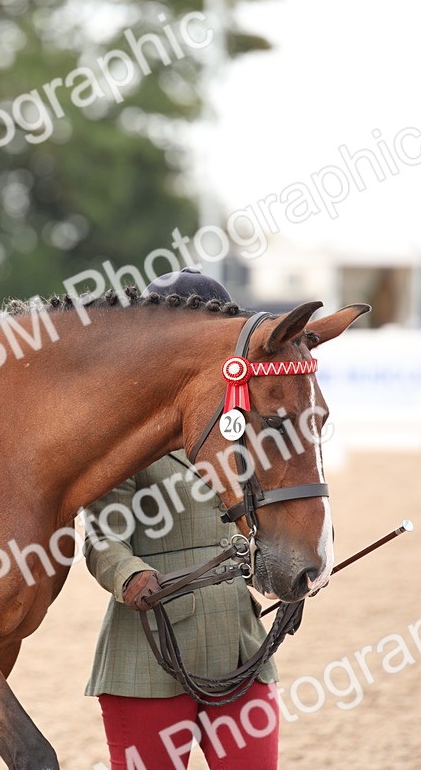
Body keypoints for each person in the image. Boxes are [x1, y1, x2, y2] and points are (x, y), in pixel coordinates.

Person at [84, 268, 279, 770]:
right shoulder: (123, 437)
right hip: (148, 661)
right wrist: (129, 576)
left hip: (241, 652)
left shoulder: (241, 428)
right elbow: (103, 537)